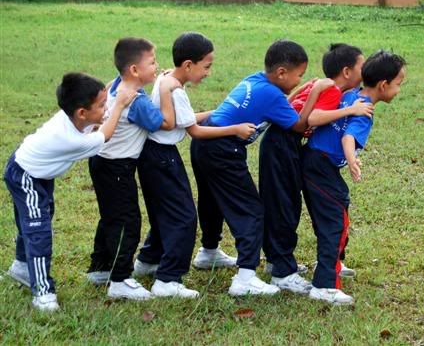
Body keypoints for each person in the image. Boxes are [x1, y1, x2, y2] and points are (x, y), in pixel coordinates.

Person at [191, 39, 332, 296]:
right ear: (281, 73)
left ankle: (208, 252)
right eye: (298, 76)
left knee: (212, 200)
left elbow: (279, 104)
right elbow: (300, 125)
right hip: (224, 149)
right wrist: (314, 92)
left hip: (204, 142)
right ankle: (245, 277)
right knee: (252, 211)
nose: (299, 81)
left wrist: (298, 93)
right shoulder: (271, 94)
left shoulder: (256, 80)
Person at [133, 32, 254, 298]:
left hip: (152, 156)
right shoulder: (175, 90)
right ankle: (168, 279)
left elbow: (182, 120)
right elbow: (195, 131)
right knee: (183, 216)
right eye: (207, 66)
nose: (208, 73)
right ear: (188, 65)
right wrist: (235, 128)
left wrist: (216, 112)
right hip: (163, 157)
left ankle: (148, 261)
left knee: (166, 211)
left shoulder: (167, 79)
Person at [4, 73, 136, 311]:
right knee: (38, 230)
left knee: (35, 220)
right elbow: (105, 135)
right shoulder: (68, 137)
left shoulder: (73, 117)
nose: (105, 108)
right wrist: (119, 104)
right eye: (101, 105)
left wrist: (119, 80)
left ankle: (21, 267)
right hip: (26, 176)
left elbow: (99, 106)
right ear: (82, 113)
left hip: (37, 172)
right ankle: (43, 292)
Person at [260, 43, 372, 293]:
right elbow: (311, 120)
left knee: (285, 204)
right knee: (284, 206)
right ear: (346, 71)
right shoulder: (331, 89)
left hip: (283, 143)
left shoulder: (325, 85)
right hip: (282, 143)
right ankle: (282, 271)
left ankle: (278, 261)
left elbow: (292, 103)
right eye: (362, 67)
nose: (365, 72)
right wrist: (351, 109)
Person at [302, 50, 406, 305]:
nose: (398, 90)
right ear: (383, 85)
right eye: (398, 85)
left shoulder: (351, 95)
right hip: (320, 165)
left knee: (337, 209)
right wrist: (351, 160)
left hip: (313, 161)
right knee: (336, 219)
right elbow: (348, 137)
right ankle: (324, 285)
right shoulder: (365, 110)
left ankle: (332, 262)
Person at [86, 37, 177, 301]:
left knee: (110, 216)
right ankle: (121, 279)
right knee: (127, 220)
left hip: (101, 162)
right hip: (118, 167)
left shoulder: (116, 85)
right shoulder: (137, 101)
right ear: (135, 70)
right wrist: (165, 89)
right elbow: (167, 123)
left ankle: (101, 268)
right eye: (152, 62)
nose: (157, 66)